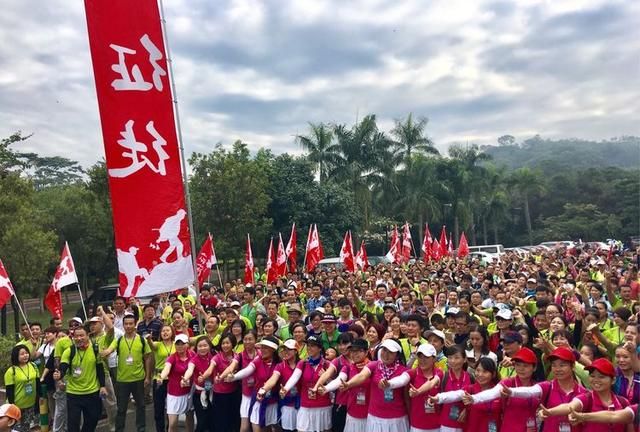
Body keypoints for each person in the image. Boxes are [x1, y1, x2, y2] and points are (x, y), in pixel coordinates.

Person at [502, 346, 587, 432]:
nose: (557, 369)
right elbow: (531, 391)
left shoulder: (584, 393)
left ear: (572, 366)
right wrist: (511, 391)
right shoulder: (548, 386)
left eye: (562, 365)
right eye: (554, 365)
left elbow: (573, 408)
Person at [537, 358, 632, 432]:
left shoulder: (623, 402)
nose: (596, 380)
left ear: (613, 380)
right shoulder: (586, 398)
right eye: (592, 376)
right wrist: (550, 411)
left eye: (601, 377)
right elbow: (570, 406)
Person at [341, 339, 410, 432]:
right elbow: (362, 375)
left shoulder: (404, 370)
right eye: (384, 350)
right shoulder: (373, 365)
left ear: (397, 355)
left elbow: (402, 382)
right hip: (375, 418)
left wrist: (389, 384)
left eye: (391, 352)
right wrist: (349, 384)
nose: (386, 354)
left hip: (397, 419)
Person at [466, 347, 541, 432]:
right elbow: (492, 393)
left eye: (525, 366)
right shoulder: (508, 383)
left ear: (534, 368)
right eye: (518, 365)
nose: (521, 369)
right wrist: (474, 398)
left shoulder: (537, 386)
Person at [102, 313, 152, 432]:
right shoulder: (118, 340)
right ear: (123, 325)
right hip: (122, 381)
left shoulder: (141, 340)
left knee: (141, 406)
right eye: (126, 324)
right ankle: (120, 429)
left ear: (135, 325)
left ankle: (141, 428)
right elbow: (110, 349)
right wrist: (106, 352)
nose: (128, 326)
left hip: (139, 379)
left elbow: (148, 357)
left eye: (131, 324)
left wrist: (148, 377)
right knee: (121, 408)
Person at [54, 324, 107, 432]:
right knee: (73, 424)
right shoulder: (69, 351)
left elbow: (99, 368)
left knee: (93, 420)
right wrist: (60, 374)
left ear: (88, 335)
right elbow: (63, 366)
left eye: (81, 335)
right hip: (74, 394)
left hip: (92, 392)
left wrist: (102, 386)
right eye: (76, 336)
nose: (78, 339)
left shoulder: (95, 349)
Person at [281, 335, 333, 432]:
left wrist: (328, 378)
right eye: (308, 345)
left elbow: (333, 386)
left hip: (323, 406)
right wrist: (286, 388)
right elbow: (294, 377)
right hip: (305, 405)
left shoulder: (327, 364)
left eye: (312, 346)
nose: (309, 348)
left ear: (320, 348)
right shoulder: (303, 363)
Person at [229, 336, 281, 431]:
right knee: (256, 427)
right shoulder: (258, 360)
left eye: (266, 348)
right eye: (262, 347)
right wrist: (234, 377)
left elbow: (274, 379)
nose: (263, 350)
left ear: (273, 349)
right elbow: (248, 370)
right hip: (258, 399)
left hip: (272, 401)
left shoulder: (280, 363)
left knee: (271, 429)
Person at [319, 338, 370, 432]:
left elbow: (363, 376)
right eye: (353, 351)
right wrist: (326, 388)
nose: (355, 354)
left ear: (366, 352)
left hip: (370, 414)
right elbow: (340, 379)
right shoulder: (348, 367)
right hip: (352, 413)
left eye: (359, 351)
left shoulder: (372, 366)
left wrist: (349, 384)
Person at [260, 339, 300, 432]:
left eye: (289, 349)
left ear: (296, 351)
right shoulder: (280, 366)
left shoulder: (302, 364)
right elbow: (273, 379)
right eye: (284, 349)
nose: (286, 352)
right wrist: (263, 389)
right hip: (286, 404)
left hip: (301, 404)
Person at [157, 334, 195, 432]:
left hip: (189, 392)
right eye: (177, 344)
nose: (180, 346)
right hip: (174, 394)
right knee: (173, 423)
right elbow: (166, 368)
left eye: (182, 344)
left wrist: (186, 379)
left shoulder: (192, 355)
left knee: (190, 417)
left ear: (187, 344)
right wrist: (161, 377)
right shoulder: (172, 357)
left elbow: (191, 369)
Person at [4, 345, 40, 432]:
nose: (25, 355)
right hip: (17, 405)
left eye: (26, 353)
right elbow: (9, 392)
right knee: (15, 428)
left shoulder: (33, 365)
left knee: (26, 427)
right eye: (22, 354)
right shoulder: (11, 371)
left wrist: (38, 400)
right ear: (16, 356)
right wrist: (13, 406)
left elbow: (37, 383)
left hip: (30, 404)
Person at [183, 336, 215, 432]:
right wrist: (185, 378)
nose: (202, 348)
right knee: (201, 422)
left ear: (209, 346)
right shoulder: (194, 360)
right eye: (200, 346)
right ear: (196, 348)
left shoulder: (214, 357)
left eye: (205, 345)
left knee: (212, 421)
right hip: (199, 394)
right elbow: (190, 369)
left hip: (214, 393)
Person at [211, 334, 241, 432]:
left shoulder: (237, 356)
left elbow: (234, 369)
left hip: (233, 392)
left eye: (227, 343)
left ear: (232, 344)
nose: (225, 345)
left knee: (233, 418)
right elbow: (211, 368)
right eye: (223, 343)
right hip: (219, 394)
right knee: (220, 420)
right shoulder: (217, 357)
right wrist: (217, 378)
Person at [148, 324, 175, 432]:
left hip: (173, 379)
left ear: (172, 332)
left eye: (167, 330)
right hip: (159, 379)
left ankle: (170, 429)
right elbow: (151, 346)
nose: (165, 332)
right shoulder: (157, 344)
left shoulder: (176, 344)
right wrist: (149, 339)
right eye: (163, 331)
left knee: (171, 407)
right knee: (158, 407)